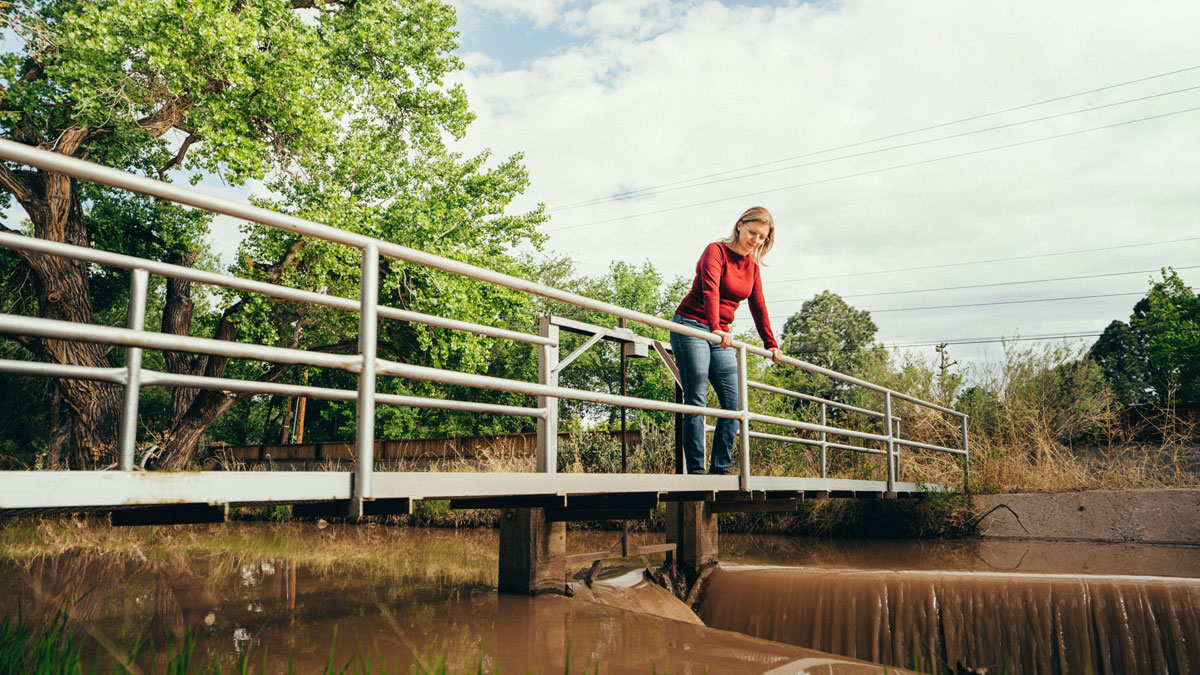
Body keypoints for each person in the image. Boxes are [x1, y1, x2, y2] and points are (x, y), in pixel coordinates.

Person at [670, 206, 783, 475]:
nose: (755, 240)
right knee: (696, 399)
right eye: (752, 232)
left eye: (761, 237)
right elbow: (711, 291)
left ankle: (719, 468)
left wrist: (770, 343)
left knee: (734, 403)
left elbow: (758, 306)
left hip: (719, 334)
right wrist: (716, 327)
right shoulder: (716, 251)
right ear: (740, 226)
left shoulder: (753, 268)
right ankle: (696, 471)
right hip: (692, 326)